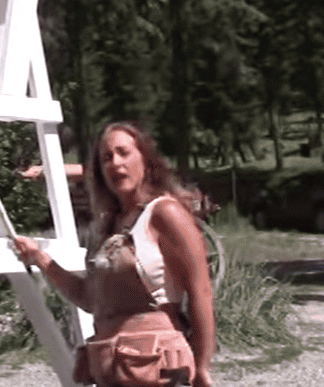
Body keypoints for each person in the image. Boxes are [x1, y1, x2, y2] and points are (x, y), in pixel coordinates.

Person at [11, 122, 214, 387]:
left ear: (146, 160)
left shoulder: (165, 213)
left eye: (123, 152)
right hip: (109, 368)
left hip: (157, 368)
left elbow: (201, 291)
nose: (116, 162)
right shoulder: (110, 227)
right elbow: (89, 299)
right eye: (106, 158)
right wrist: (40, 258)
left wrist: (201, 368)